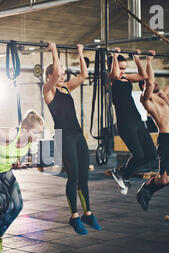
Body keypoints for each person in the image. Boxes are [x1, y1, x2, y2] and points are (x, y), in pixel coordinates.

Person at [43, 42, 101, 235]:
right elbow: (56, 72)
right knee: (73, 175)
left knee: (84, 176)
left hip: (77, 135)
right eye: (59, 73)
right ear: (50, 75)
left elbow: (84, 75)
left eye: (63, 73)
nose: (62, 75)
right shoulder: (48, 90)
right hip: (64, 137)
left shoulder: (67, 88)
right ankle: (74, 216)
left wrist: (80, 53)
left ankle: (88, 213)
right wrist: (54, 51)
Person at [0, 110, 44, 253]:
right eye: (36, 133)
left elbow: (18, 151)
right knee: (6, 205)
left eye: (40, 133)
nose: (38, 137)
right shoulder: (8, 135)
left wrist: (19, 159)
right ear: (24, 128)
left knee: (17, 206)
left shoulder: (29, 141)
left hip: (5, 172)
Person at [137, 51, 169, 210]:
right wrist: (148, 61)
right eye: (151, 83)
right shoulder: (147, 100)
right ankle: (147, 187)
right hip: (166, 140)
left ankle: (149, 189)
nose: (155, 83)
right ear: (144, 87)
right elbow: (149, 83)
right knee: (164, 180)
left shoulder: (164, 95)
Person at [109, 48, 158, 195]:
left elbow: (143, 76)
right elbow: (115, 73)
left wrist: (137, 58)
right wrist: (114, 56)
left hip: (137, 120)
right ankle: (123, 174)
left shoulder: (125, 78)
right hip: (125, 124)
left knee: (151, 154)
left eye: (124, 68)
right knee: (140, 156)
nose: (123, 71)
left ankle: (122, 173)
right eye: (121, 67)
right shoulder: (111, 79)